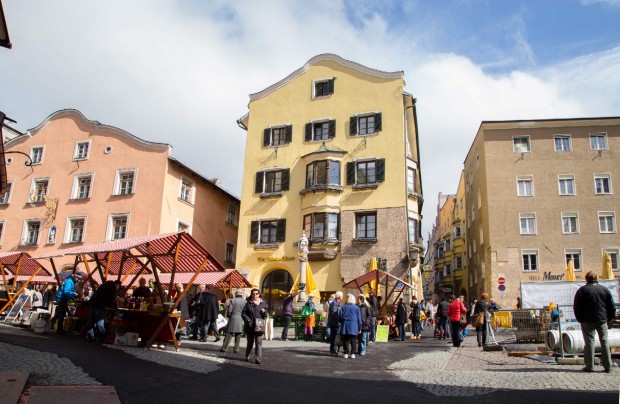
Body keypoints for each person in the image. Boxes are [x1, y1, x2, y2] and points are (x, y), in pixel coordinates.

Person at [574, 271, 616, 373]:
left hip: (587, 320)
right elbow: (612, 306)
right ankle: (608, 366)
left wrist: (580, 319)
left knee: (589, 343)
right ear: (596, 278)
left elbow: (577, 307)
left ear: (586, 279)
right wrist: (608, 318)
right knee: (604, 342)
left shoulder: (582, 290)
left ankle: (589, 366)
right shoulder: (604, 289)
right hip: (602, 319)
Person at [242, 288, 268, 364]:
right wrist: (248, 320)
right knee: (250, 342)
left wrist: (264, 312)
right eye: (253, 294)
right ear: (251, 294)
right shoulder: (248, 303)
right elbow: (243, 313)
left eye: (256, 294)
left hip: (259, 325)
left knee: (258, 342)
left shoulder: (263, 303)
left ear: (259, 294)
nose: (255, 295)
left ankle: (258, 358)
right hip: (250, 325)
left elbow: (266, 314)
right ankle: (247, 355)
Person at [339, 294, 362, 359]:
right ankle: (353, 353)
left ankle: (346, 353)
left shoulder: (343, 307)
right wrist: (360, 328)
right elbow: (359, 319)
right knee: (353, 340)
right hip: (354, 325)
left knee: (346, 339)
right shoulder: (357, 308)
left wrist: (341, 322)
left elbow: (340, 316)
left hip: (345, 325)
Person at [328, 291, 343, 356]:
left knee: (334, 337)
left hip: (334, 323)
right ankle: (333, 351)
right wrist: (338, 321)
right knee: (334, 337)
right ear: (339, 297)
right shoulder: (335, 303)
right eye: (342, 296)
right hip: (334, 323)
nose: (342, 297)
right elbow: (334, 314)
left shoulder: (335, 303)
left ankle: (333, 350)